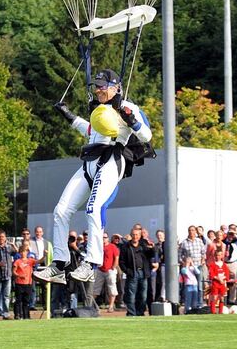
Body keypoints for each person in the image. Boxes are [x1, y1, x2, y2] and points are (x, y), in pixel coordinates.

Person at [34, 69, 153, 286]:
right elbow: (90, 131)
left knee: (94, 208)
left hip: (111, 160)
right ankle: (60, 264)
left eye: (101, 86)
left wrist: (131, 120)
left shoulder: (128, 107)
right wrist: (68, 115)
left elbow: (147, 135)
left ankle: (91, 263)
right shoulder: (98, 109)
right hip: (90, 161)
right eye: (96, 86)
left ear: (115, 87)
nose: (98, 90)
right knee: (61, 211)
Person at [119, 226, 155, 316]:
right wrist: (128, 271)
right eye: (133, 235)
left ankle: (140, 312)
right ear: (131, 235)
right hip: (133, 273)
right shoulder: (126, 247)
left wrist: (152, 248)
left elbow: (151, 255)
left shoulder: (143, 245)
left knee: (143, 296)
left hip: (143, 273)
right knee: (131, 296)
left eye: (137, 235)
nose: (135, 236)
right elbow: (121, 262)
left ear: (140, 236)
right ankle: (131, 313)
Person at [179, 226, 205, 308]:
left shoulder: (199, 241)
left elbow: (203, 252)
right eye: (189, 230)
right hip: (188, 268)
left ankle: (199, 304)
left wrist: (203, 260)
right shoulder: (184, 242)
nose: (191, 232)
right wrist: (184, 263)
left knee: (199, 286)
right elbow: (179, 255)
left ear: (195, 232)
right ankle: (188, 304)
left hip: (198, 266)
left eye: (193, 230)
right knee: (187, 285)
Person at [93, 232, 120, 312]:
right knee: (95, 289)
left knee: (112, 288)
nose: (103, 239)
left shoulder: (112, 247)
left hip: (109, 270)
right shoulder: (98, 247)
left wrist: (113, 267)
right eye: (102, 237)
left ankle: (111, 306)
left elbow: (116, 258)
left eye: (105, 237)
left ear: (108, 238)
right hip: (100, 269)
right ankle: (91, 305)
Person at [13, 241, 37, 319]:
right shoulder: (17, 261)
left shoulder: (30, 260)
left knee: (26, 301)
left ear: (27, 252)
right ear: (19, 253)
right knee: (18, 300)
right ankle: (17, 315)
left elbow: (38, 261)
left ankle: (26, 316)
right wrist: (19, 275)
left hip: (28, 283)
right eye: (22, 252)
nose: (24, 253)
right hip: (19, 283)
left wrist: (45, 255)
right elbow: (13, 271)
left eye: (25, 251)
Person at [208, 249, 230, 314]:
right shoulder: (212, 265)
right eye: (217, 255)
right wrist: (218, 279)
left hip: (222, 283)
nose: (218, 256)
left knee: (222, 298)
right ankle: (213, 312)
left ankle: (220, 312)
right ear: (215, 256)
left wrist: (223, 279)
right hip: (215, 283)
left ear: (222, 256)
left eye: (220, 255)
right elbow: (212, 274)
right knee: (214, 297)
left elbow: (227, 274)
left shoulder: (224, 265)